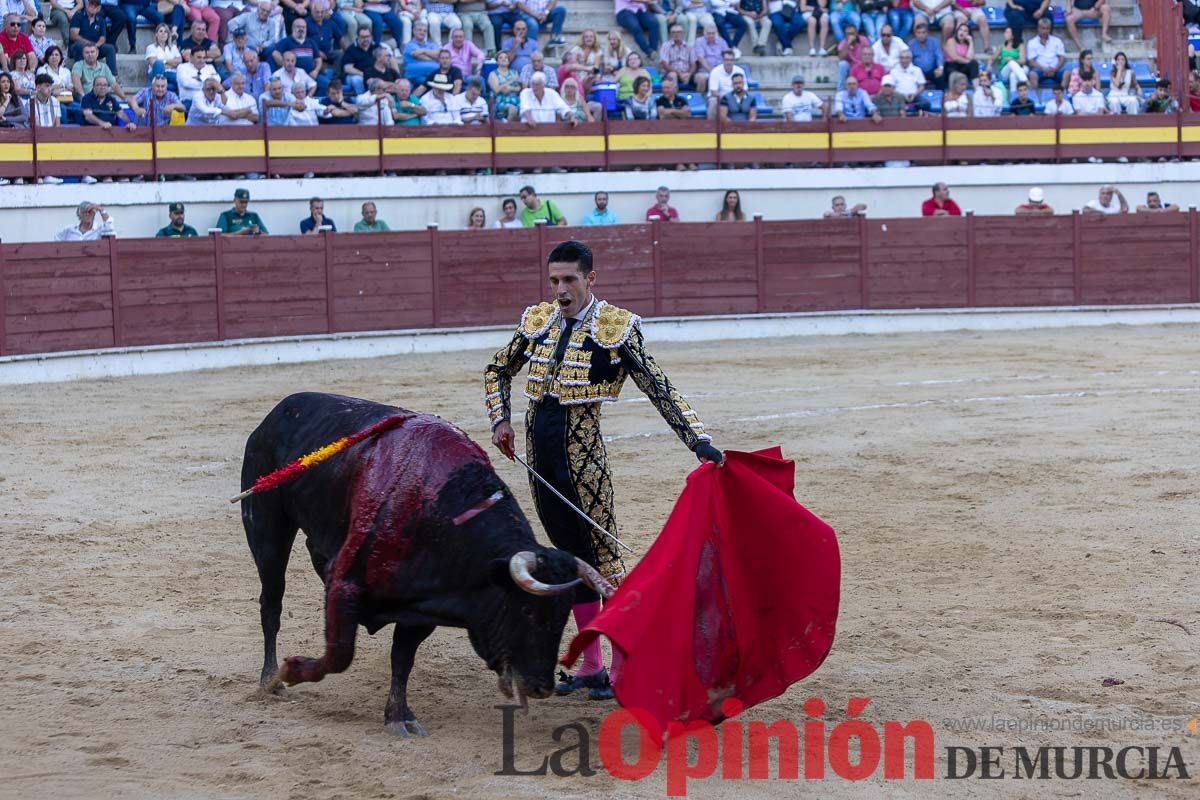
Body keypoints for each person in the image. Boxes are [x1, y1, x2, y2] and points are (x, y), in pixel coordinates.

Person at [484, 240, 723, 700]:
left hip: (583, 459)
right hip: (540, 458)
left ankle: (623, 668)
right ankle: (591, 666)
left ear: (590, 279)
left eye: (569, 280)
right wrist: (500, 419)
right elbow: (498, 369)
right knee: (568, 558)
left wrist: (698, 440)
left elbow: (659, 387)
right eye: (554, 280)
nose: (560, 290)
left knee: (604, 562)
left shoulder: (615, 327)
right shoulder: (538, 321)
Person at [1106, 51, 1138, 115]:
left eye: (1123, 59)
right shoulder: (1112, 72)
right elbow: (1117, 84)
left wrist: (1139, 89)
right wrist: (1119, 70)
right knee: (1114, 102)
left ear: (1126, 61)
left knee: (1133, 100)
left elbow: (1135, 84)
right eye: (1118, 60)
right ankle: (1116, 121)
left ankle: (1132, 120)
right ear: (1115, 62)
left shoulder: (1131, 72)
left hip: (1125, 94)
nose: (1121, 61)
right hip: (1114, 94)